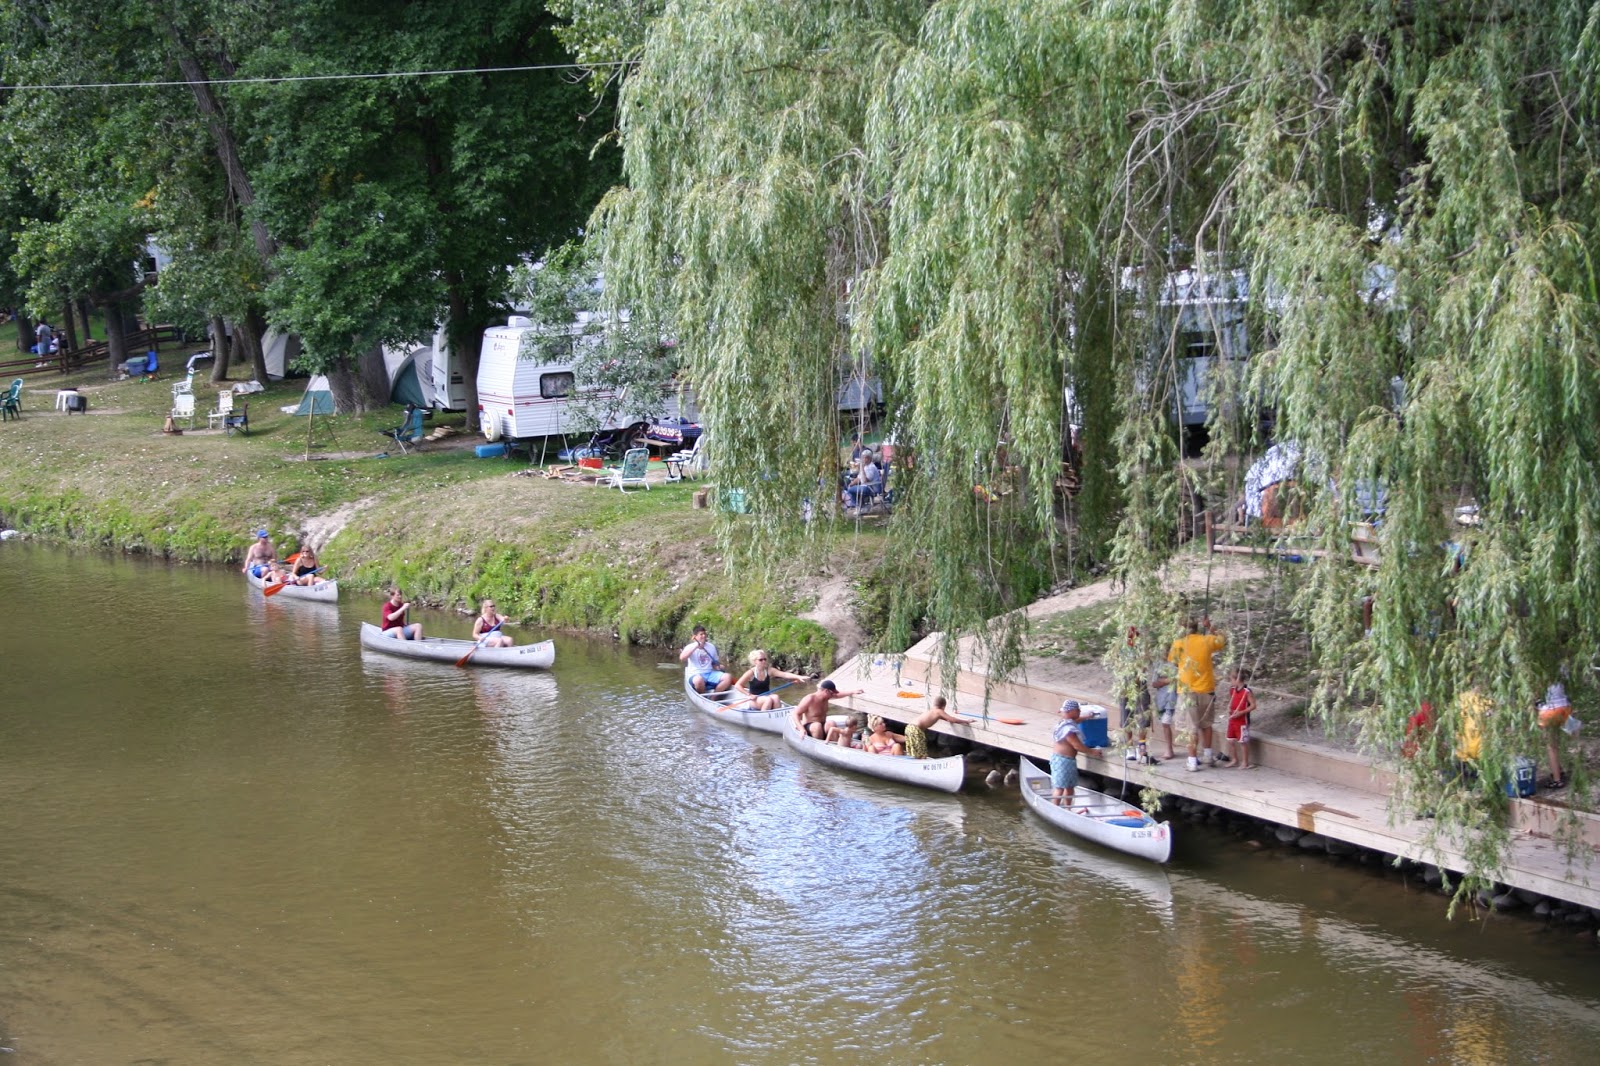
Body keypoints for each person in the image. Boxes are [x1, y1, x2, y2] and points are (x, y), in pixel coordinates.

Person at [1168, 616, 1227, 771]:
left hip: (1188, 691)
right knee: (1206, 724)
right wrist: (1211, 627)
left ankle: (1192, 761)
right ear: (1197, 627)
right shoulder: (1207, 640)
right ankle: (1208, 755)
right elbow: (1222, 640)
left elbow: (1173, 661)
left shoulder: (1178, 644)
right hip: (1207, 689)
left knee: (1190, 727)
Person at [1050, 699, 1104, 805]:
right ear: (1070, 712)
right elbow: (1077, 746)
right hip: (1062, 761)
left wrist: (1088, 716)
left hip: (1069, 761)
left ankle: (1068, 807)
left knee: (1069, 786)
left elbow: (1077, 720)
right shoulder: (1068, 730)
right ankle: (1054, 808)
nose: (1079, 711)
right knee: (1060, 787)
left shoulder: (1067, 722)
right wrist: (1092, 752)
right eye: (1077, 710)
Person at [732, 649, 807, 710]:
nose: (764, 661)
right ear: (755, 661)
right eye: (761, 660)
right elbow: (737, 685)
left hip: (766, 696)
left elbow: (784, 674)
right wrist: (749, 695)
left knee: (776, 697)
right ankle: (763, 718)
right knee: (768, 700)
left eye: (765, 659)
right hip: (755, 699)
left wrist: (798, 677)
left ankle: (776, 716)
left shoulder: (769, 670)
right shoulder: (750, 673)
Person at [791, 679, 864, 741]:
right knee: (817, 726)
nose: (833, 696)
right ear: (826, 691)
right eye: (832, 694)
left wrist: (852, 692)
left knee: (831, 723)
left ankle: (835, 746)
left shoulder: (826, 697)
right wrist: (801, 729)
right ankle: (818, 746)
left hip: (822, 724)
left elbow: (838, 695)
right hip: (810, 727)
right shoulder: (809, 699)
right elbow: (795, 714)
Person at [904, 696, 975, 759]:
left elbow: (946, 718)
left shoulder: (931, 711)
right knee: (921, 752)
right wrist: (966, 721)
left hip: (909, 727)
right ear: (943, 706)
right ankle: (921, 762)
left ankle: (913, 761)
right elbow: (952, 719)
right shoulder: (939, 711)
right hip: (916, 729)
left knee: (913, 750)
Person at [1536, 681, 1571, 791]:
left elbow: (1537, 689)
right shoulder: (1561, 664)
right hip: (1564, 707)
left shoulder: (1539, 666)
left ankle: (1557, 780)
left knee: (1551, 746)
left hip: (1549, 710)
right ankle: (1558, 770)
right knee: (1555, 742)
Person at [679, 624, 731, 693]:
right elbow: (682, 658)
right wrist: (696, 646)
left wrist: (717, 667)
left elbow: (714, 663)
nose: (704, 636)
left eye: (704, 634)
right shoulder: (690, 647)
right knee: (699, 680)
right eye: (701, 634)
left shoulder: (711, 647)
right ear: (695, 637)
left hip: (709, 673)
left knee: (728, 677)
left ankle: (714, 697)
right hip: (695, 674)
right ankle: (702, 697)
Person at [1224, 667, 1257, 769]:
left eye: (1231, 679)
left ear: (1237, 679)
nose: (1230, 682)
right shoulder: (1232, 690)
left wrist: (1242, 712)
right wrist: (1229, 708)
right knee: (1230, 740)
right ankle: (1234, 759)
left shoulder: (1247, 691)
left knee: (1243, 741)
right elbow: (1233, 701)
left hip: (1242, 720)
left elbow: (1253, 705)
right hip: (1232, 719)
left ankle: (1245, 762)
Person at [1150, 657, 1179, 761]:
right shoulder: (1158, 663)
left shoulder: (1176, 661)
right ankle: (1169, 748)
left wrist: (1164, 679)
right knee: (1164, 723)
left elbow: (1179, 678)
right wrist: (1168, 680)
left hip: (1173, 698)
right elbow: (1154, 683)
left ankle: (1169, 749)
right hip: (1162, 699)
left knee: (1166, 722)